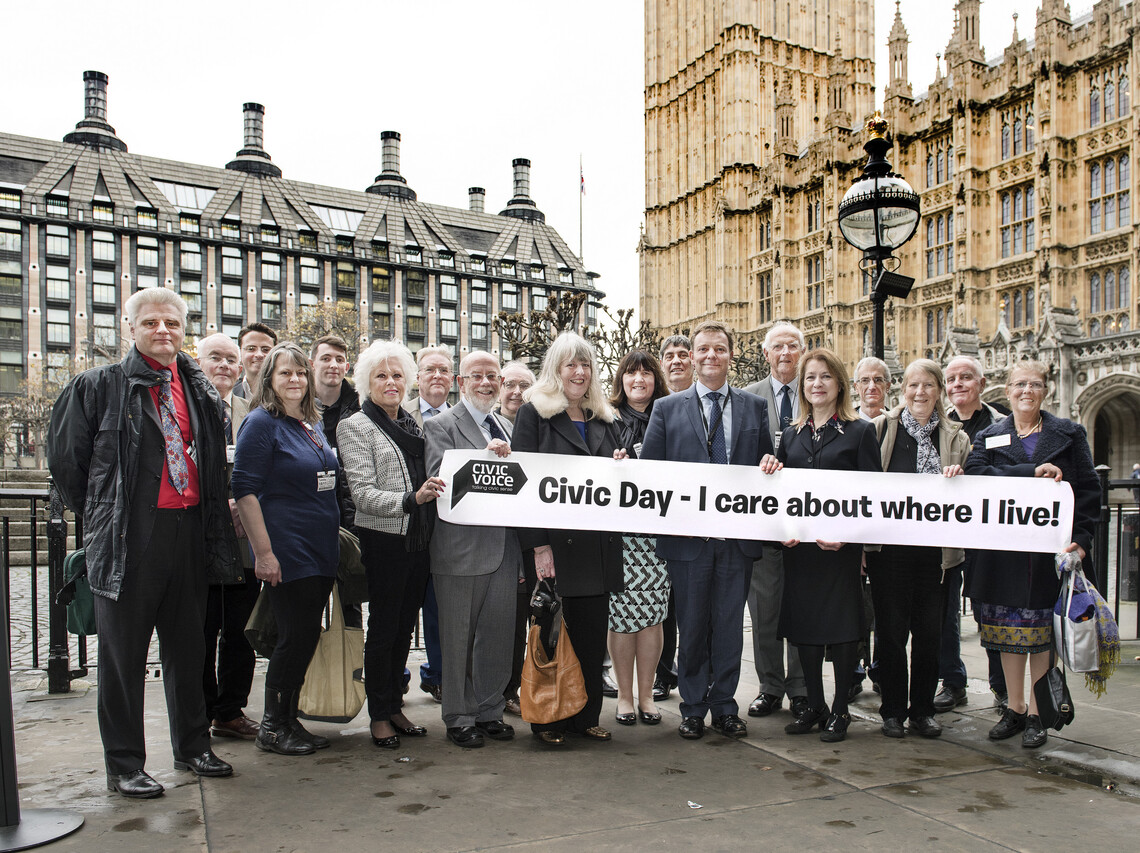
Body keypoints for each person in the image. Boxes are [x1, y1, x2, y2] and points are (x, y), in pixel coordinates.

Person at [48, 288, 239, 798]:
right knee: (123, 657)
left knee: (188, 647)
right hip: (129, 536)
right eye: (150, 322)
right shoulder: (96, 386)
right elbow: (69, 466)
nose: (163, 330)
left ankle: (193, 746)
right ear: (129, 328)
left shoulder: (198, 390)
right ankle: (125, 763)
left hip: (189, 533)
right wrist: (106, 519)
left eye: (172, 323)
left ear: (184, 330)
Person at [641, 320, 773, 741]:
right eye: (703, 350)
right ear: (693, 357)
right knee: (693, 626)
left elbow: (766, 464)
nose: (711, 356)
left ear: (730, 355)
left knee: (729, 628)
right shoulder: (667, 408)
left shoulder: (754, 407)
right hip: (688, 541)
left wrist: (772, 465)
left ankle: (725, 706)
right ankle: (693, 708)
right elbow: (652, 472)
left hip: (736, 540)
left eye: (719, 349)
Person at [966, 361, 1099, 749]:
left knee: (1041, 636)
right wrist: (1029, 472)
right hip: (1002, 555)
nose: (1027, 391)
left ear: (1046, 391)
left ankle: (1040, 713)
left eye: (1035, 385)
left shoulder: (1069, 434)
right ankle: (1016, 708)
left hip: (1047, 555)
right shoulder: (991, 435)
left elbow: (1089, 490)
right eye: (1020, 384)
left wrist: (1082, 539)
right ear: (1006, 391)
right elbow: (976, 475)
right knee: (1006, 634)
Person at [760, 348, 881, 742]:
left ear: (840, 384)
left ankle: (841, 711)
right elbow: (779, 492)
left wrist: (850, 539)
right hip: (802, 552)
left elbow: (873, 496)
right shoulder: (792, 435)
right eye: (810, 377)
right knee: (806, 630)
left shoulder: (860, 431)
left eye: (825, 377)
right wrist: (771, 467)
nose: (817, 384)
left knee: (842, 629)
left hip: (839, 552)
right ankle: (815, 705)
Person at [512, 331, 624, 746]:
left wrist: (622, 465)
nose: (579, 372)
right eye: (570, 364)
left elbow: (616, 482)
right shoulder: (534, 414)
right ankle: (548, 721)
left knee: (592, 638)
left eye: (585, 364)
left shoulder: (606, 418)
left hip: (597, 547)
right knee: (552, 636)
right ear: (556, 370)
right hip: (554, 547)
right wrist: (537, 545)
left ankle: (585, 717)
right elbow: (522, 485)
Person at [232, 343, 340, 757]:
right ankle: (273, 727)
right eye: (284, 374)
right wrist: (264, 553)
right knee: (293, 637)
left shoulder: (310, 424)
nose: (293, 380)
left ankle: (289, 718)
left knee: (305, 634)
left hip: (318, 549)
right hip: (287, 550)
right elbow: (245, 490)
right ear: (268, 380)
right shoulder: (261, 423)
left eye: (299, 372)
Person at [338, 341, 444, 750]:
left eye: (398, 375)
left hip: (418, 541)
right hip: (384, 540)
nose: (391, 382)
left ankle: (394, 704)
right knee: (383, 630)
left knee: (404, 629)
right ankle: (379, 715)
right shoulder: (355, 426)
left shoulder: (415, 424)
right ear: (367, 382)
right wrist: (409, 500)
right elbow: (362, 494)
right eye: (381, 375)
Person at [866, 359, 969, 740]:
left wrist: (960, 478)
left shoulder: (956, 438)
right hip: (889, 551)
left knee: (930, 635)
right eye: (913, 385)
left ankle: (922, 710)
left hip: (935, 555)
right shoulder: (881, 429)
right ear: (902, 390)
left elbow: (972, 496)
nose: (920, 393)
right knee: (891, 634)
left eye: (928, 385)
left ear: (939, 391)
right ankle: (892, 710)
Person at [425, 351, 519, 748]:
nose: (485, 383)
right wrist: (485, 460)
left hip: (504, 551)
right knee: (458, 638)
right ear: (460, 383)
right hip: (460, 551)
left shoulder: (508, 426)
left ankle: (489, 710)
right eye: (476, 376)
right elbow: (439, 482)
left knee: (497, 637)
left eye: (492, 376)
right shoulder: (440, 426)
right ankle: (459, 716)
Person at [940, 355, 1013, 712]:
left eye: (966, 378)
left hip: (989, 536)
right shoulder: (937, 424)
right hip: (950, 534)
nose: (958, 385)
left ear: (982, 384)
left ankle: (1001, 687)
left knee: (990, 612)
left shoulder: (1001, 423)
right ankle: (952, 682)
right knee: (945, 613)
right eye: (951, 379)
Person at [196, 333, 259, 742]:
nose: (223, 365)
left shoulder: (250, 411)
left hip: (243, 541)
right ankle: (198, 715)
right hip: (198, 540)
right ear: (197, 362)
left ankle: (231, 710)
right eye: (214, 357)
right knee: (201, 632)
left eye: (230, 360)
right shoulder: (186, 408)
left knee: (241, 630)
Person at [743, 321, 807, 719]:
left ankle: (800, 688)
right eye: (778, 347)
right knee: (763, 609)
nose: (785, 353)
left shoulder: (819, 393)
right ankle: (769, 686)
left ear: (803, 351)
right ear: (765, 354)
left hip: (805, 525)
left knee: (800, 607)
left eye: (793, 346)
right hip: (763, 525)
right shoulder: (748, 398)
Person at [607, 351, 671, 727]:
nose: (639, 380)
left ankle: (647, 695)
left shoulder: (672, 413)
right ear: (622, 380)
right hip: (620, 533)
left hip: (658, 532)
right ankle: (625, 697)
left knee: (652, 615)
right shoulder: (606, 417)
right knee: (620, 615)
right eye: (632, 373)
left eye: (646, 373)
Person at [402, 345, 453, 703]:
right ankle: (397, 678)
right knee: (401, 612)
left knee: (438, 611)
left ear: (453, 379)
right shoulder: (396, 414)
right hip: (405, 524)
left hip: (446, 531)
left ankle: (437, 676)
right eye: (429, 370)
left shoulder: (466, 418)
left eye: (444, 370)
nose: (437, 376)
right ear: (417, 378)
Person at [310, 334, 363, 627]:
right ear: (312, 363)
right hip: (309, 522)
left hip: (351, 520)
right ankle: (307, 673)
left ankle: (351, 672)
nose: (333, 365)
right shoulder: (296, 403)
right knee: (307, 610)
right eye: (326, 358)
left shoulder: (361, 404)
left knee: (351, 611)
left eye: (339, 360)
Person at [494, 359, 536, 716]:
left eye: (525, 386)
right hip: (496, 544)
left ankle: (518, 687)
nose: (516, 392)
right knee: (502, 625)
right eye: (510, 384)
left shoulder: (540, 425)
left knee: (527, 619)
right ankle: (501, 689)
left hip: (531, 543)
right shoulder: (486, 427)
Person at [652, 334, 693, 700]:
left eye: (683, 354)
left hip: (699, 522)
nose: (677, 360)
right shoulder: (657, 406)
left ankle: (695, 674)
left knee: (692, 610)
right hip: (662, 523)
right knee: (663, 609)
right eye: (670, 355)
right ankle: (664, 673)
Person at [232, 322, 277, 399]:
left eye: (266, 349)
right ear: (240, 353)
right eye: (251, 349)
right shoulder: (228, 393)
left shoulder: (287, 392)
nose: (259, 355)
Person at [496, 360, 535, 424]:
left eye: (524, 385)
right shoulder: (486, 425)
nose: (517, 392)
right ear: (499, 390)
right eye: (509, 385)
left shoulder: (544, 426)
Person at [853, 356, 890, 421]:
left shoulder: (899, 424)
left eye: (878, 380)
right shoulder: (842, 426)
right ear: (856, 387)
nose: (872, 387)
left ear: (888, 386)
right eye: (865, 380)